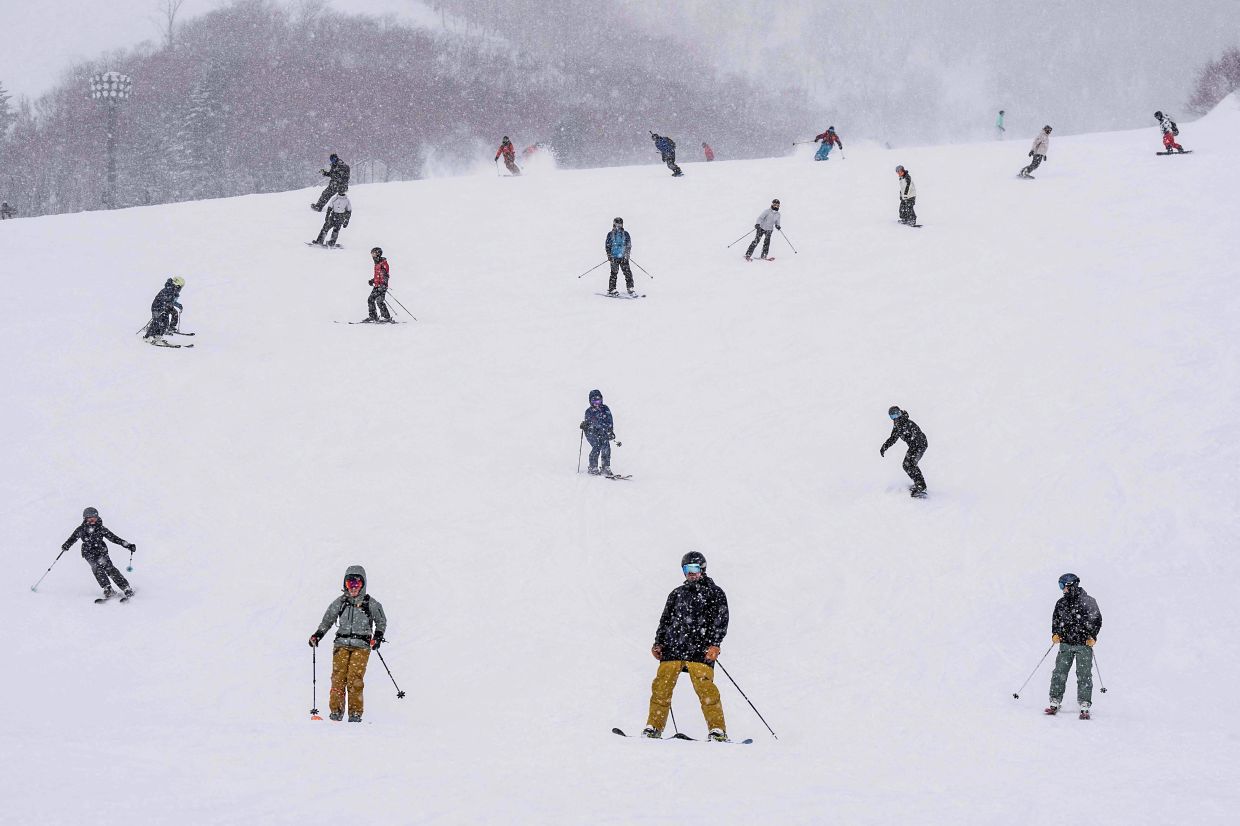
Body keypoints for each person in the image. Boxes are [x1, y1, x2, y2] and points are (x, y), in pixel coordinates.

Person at [642, 551, 730, 741]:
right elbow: (665, 621)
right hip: (672, 649)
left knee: (707, 690)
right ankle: (653, 727)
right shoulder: (676, 594)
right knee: (661, 688)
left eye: (694, 568)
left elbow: (721, 620)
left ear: (702, 569)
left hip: (700, 651)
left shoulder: (714, 593)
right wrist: (659, 643)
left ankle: (717, 730)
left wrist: (715, 644)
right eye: (686, 569)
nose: (690, 573)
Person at [309, 565, 388, 722]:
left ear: (363, 585)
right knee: (338, 678)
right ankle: (336, 713)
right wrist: (318, 635)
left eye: (357, 583)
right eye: (349, 583)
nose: (353, 587)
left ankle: (355, 715)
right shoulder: (341, 602)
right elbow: (328, 620)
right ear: (345, 585)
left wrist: (378, 637)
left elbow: (381, 621)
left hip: (361, 646)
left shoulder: (370, 603)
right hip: (341, 645)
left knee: (354, 679)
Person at [1045, 573, 1102, 719]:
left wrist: (1092, 637)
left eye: (1062, 586)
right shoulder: (1061, 603)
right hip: (1066, 643)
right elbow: (1056, 620)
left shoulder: (1089, 601)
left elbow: (1096, 620)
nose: (1062, 589)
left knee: (1084, 674)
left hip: (1084, 644)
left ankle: (1084, 703)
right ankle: (1055, 700)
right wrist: (1055, 633)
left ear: (1071, 585)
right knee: (1059, 672)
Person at [61, 507, 135, 600]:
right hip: (88, 552)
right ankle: (107, 588)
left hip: (101, 551)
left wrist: (127, 545)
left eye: (94, 518)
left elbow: (113, 538)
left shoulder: (101, 528)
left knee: (109, 568)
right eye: (89, 519)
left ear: (97, 518)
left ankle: (126, 588)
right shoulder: (81, 529)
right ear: (85, 519)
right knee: (96, 568)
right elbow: (72, 538)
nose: (92, 521)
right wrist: (66, 545)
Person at [880, 405, 928, 496]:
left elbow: (918, 435)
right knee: (907, 465)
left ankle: (921, 486)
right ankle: (918, 484)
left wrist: (915, 447)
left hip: (920, 444)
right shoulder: (897, 426)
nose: (896, 418)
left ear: (900, 412)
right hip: (914, 446)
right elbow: (893, 438)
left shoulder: (907, 423)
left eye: (897, 414)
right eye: (893, 416)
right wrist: (884, 446)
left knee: (909, 464)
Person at [579, 389, 615, 475]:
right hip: (591, 432)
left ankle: (605, 466)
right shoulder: (589, 411)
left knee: (606, 445)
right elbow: (590, 423)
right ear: (590, 401)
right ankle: (593, 467)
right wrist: (585, 425)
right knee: (597, 446)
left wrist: (610, 431)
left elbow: (610, 421)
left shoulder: (605, 409)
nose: (596, 403)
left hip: (603, 431)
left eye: (598, 400)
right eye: (594, 401)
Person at [144, 276, 185, 344]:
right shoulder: (168, 289)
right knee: (157, 321)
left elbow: (171, 301)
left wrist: (178, 305)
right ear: (177, 285)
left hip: (164, 308)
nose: (180, 289)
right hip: (157, 307)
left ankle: (158, 336)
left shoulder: (173, 291)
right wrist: (165, 305)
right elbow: (164, 299)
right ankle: (148, 337)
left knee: (165, 322)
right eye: (180, 287)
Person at [603, 217, 634, 296]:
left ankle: (630, 288)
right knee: (614, 273)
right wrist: (609, 255)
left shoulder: (625, 234)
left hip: (623, 257)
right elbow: (607, 245)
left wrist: (626, 255)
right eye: (617, 224)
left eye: (620, 224)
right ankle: (612, 289)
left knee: (627, 273)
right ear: (614, 224)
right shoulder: (610, 234)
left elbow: (628, 245)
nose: (618, 225)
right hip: (614, 257)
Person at [366, 247, 392, 322]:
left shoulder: (383, 264)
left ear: (378, 254)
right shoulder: (377, 264)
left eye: (374, 254)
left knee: (379, 301)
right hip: (377, 286)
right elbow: (378, 276)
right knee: (370, 299)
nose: (372, 255)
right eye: (372, 254)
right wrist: (373, 280)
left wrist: (383, 284)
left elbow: (385, 275)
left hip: (382, 286)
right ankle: (373, 316)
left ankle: (386, 317)